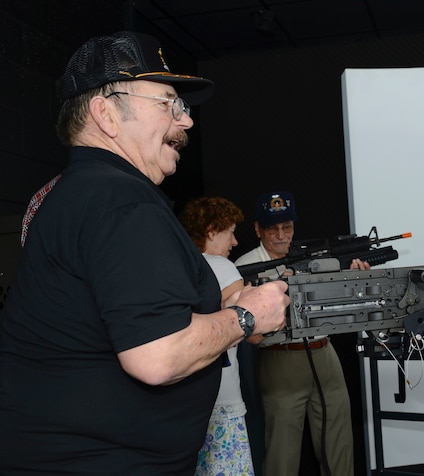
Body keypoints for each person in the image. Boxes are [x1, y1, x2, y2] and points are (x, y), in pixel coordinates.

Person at [0, 31, 288, 475]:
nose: (185, 122)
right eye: (167, 103)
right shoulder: (121, 202)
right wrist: (247, 316)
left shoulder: (80, 194)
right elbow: (157, 357)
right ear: (107, 114)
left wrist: (215, 310)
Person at [235, 191, 365, 476]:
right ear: (258, 229)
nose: (281, 235)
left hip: (325, 353)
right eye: (272, 228)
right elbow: (242, 324)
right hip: (280, 359)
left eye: (287, 227)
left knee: (339, 443)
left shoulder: (315, 257)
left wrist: (356, 279)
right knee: (282, 449)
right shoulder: (245, 266)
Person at [179, 196, 257, 475]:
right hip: (222, 399)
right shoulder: (222, 267)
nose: (235, 243)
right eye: (231, 232)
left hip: (182, 404)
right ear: (211, 230)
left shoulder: (176, 265)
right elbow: (248, 330)